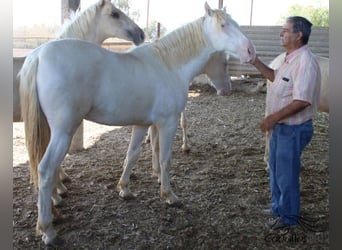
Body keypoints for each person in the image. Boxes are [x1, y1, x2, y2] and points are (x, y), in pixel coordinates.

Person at [249, 16, 321, 230]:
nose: (281, 34)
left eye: (285, 30)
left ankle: (289, 218)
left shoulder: (305, 62)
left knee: (286, 173)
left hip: (293, 129)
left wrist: (273, 117)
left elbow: (302, 100)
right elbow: (274, 76)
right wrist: (255, 61)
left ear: (298, 35)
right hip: (281, 127)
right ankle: (277, 208)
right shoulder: (288, 59)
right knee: (276, 169)